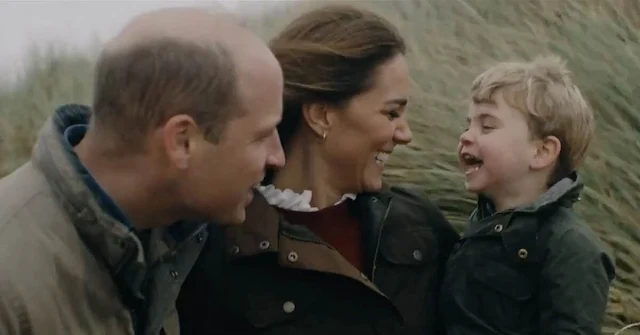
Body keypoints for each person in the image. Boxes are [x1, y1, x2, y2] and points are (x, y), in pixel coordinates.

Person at [176, 4, 460, 335]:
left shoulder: (420, 223)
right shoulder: (215, 245)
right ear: (322, 116)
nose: (406, 134)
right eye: (391, 114)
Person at [0, 7, 285, 335]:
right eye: (262, 135)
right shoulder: (10, 285)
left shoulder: (162, 239)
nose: (277, 158)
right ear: (182, 142)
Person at [439, 55, 616, 335]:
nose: (466, 136)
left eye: (487, 126)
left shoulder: (571, 249)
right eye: (467, 124)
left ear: (542, 152)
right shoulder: (480, 225)